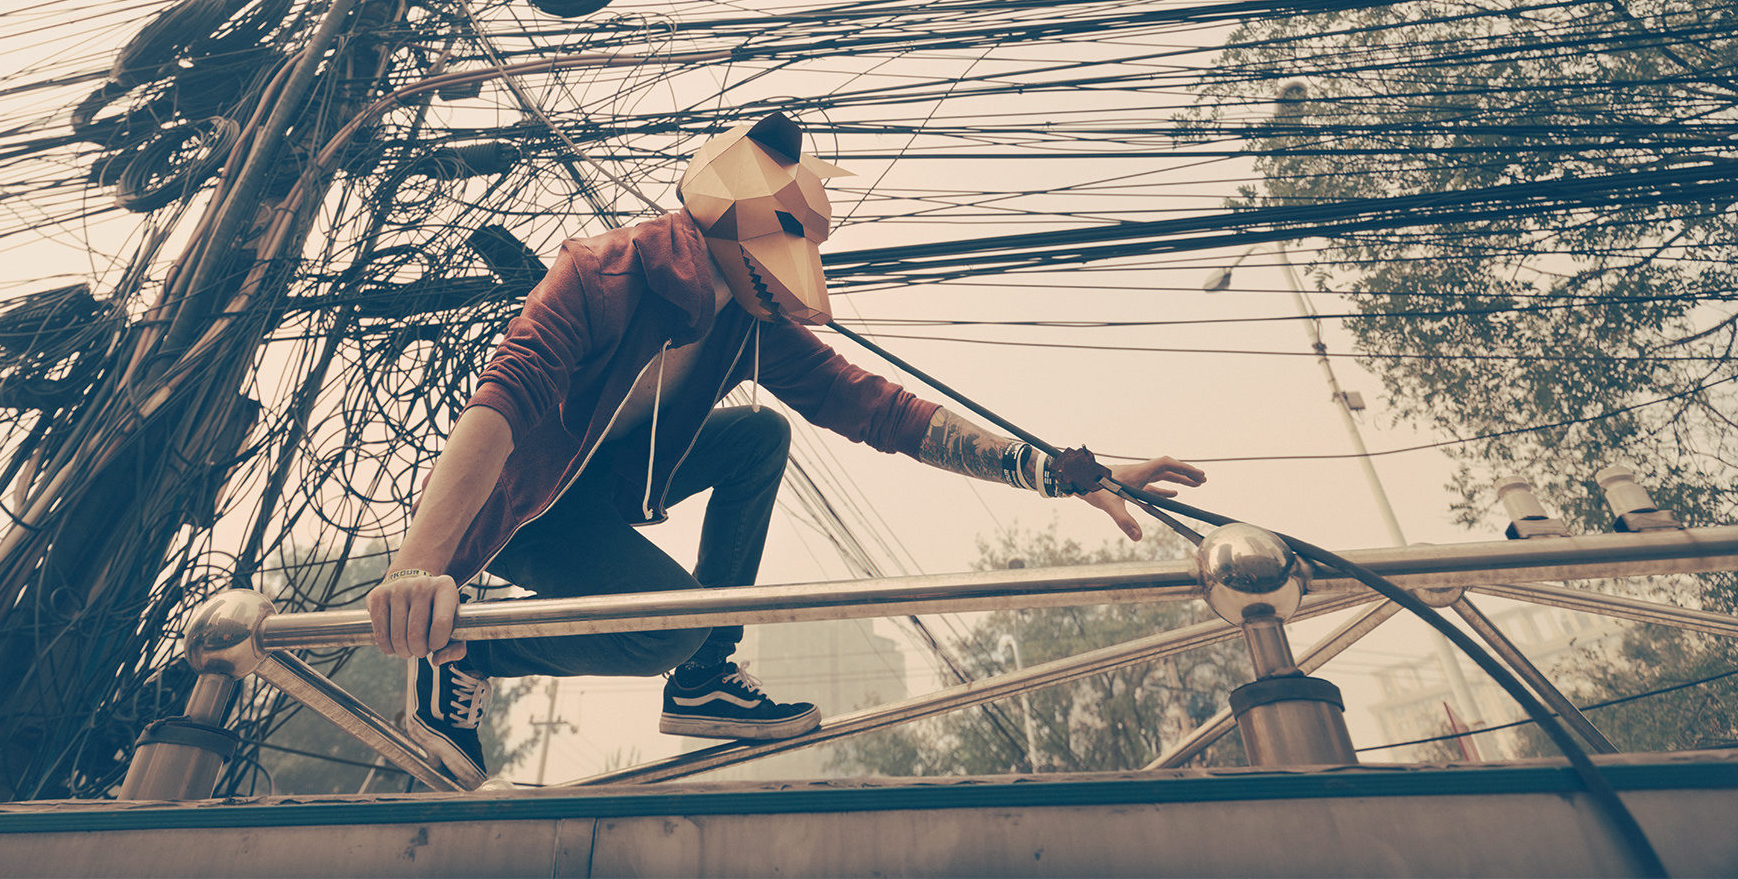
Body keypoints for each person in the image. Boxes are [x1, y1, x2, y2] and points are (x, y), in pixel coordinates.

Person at [368, 110, 1205, 787]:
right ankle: (469, 656)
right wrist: (419, 566)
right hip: (525, 506)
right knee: (663, 632)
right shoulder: (602, 270)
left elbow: (883, 410)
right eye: (789, 234)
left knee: (760, 436)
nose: (801, 266)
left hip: (605, 487)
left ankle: (706, 677)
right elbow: (506, 398)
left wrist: (1058, 472)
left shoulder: (748, 323)